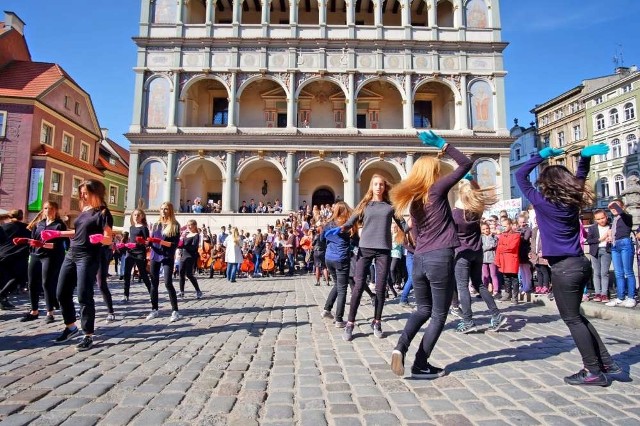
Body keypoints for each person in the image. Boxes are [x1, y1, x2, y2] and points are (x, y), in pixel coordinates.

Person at [516, 142, 620, 386]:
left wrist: (540, 155)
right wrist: (583, 158)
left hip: (564, 268)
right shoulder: (572, 200)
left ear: (546, 185)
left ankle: (593, 370)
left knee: (573, 319)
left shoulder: (541, 203)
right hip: (580, 264)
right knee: (578, 317)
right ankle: (607, 363)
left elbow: (521, 175)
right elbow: (580, 177)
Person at [388, 130, 473, 379]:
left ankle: (400, 346)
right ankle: (420, 364)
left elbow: (414, 231)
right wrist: (444, 145)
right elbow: (466, 163)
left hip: (420, 260)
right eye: (437, 170)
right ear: (431, 173)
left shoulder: (414, 200)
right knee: (438, 314)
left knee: (422, 310)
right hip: (439, 258)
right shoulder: (435, 190)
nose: (439, 173)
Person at [44, 180, 114, 351]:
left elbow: (109, 237)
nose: (81, 195)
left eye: (85, 192)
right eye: (81, 192)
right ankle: (70, 326)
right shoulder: (84, 210)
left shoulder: (103, 213)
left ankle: (88, 334)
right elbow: (79, 232)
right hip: (72, 254)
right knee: (61, 292)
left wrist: (100, 239)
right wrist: (58, 233)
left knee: (84, 295)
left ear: (95, 192)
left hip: (88, 257)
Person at [340, 174, 408, 341]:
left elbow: (403, 225)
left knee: (380, 289)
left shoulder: (390, 206)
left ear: (385, 187)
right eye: (376, 184)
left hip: (383, 250)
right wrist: (344, 227)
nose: (379, 187)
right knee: (358, 286)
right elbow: (351, 221)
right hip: (365, 249)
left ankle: (377, 322)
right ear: (371, 186)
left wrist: (414, 225)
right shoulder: (364, 205)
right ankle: (350, 323)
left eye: (381, 184)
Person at [451, 176, 507, 334]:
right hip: (477, 252)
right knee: (479, 284)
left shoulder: (455, 214)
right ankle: (496, 315)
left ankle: (468, 321)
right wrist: (472, 180)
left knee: (463, 286)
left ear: (460, 195)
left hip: (462, 253)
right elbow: (478, 194)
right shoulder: (477, 210)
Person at [20, 202, 67, 322]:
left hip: (51, 256)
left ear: (56, 210)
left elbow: (59, 245)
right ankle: (34, 310)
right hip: (36, 254)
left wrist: (42, 244)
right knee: (31, 283)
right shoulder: (39, 224)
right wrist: (25, 241)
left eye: (51, 208)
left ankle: (49, 312)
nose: (48, 210)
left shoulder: (59, 225)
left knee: (46, 283)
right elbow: (33, 239)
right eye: (46, 208)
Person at [321, 201, 356, 327]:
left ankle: (327, 309)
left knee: (338, 284)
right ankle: (339, 320)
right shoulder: (346, 225)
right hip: (341, 258)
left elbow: (321, 239)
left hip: (328, 258)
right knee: (342, 289)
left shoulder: (328, 224)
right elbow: (356, 241)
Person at [148, 202, 182, 322]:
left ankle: (175, 311)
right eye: (162, 209)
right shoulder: (156, 224)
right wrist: (147, 241)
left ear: (170, 210)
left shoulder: (175, 225)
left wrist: (161, 242)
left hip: (167, 256)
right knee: (154, 283)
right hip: (155, 255)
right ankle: (154, 309)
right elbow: (152, 241)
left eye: (166, 209)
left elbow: (174, 245)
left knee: (168, 283)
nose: (163, 211)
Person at [606, 199, 636, 308]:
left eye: (616, 206)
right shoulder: (614, 221)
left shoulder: (627, 217)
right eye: (612, 208)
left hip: (625, 243)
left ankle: (631, 297)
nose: (613, 209)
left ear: (622, 207)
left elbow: (620, 211)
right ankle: (620, 297)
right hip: (615, 245)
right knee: (618, 273)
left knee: (628, 271)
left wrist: (612, 204)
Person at [0, 210, 31, 310]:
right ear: (21, 217)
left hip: (3, 255)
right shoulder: (26, 228)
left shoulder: (4, 227)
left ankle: (3, 298)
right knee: (18, 278)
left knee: (4, 279)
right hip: (18, 257)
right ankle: (2, 295)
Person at [122, 209, 152, 303]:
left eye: (138, 215)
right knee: (127, 273)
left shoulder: (144, 228)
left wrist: (140, 243)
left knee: (143, 273)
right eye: (134, 215)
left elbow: (147, 242)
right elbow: (131, 240)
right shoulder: (131, 227)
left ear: (142, 216)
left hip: (139, 252)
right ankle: (125, 294)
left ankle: (152, 293)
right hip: (130, 252)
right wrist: (126, 245)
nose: (136, 217)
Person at [495, 217, 520, 304]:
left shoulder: (516, 235)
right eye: (502, 226)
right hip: (503, 260)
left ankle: (515, 297)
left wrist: (502, 247)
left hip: (511, 260)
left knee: (514, 278)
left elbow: (511, 247)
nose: (503, 228)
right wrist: (497, 260)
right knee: (506, 278)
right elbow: (498, 249)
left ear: (510, 225)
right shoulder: (502, 235)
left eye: (505, 226)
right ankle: (507, 294)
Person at [178, 219, 203, 298]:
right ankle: (181, 291)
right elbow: (181, 243)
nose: (188, 226)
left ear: (194, 225)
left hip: (190, 256)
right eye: (188, 225)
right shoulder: (186, 234)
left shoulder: (196, 235)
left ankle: (198, 291)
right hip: (183, 255)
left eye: (190, 225)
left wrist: (184, 246)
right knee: (181, 273)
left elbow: (194, 246)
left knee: (189, 274)